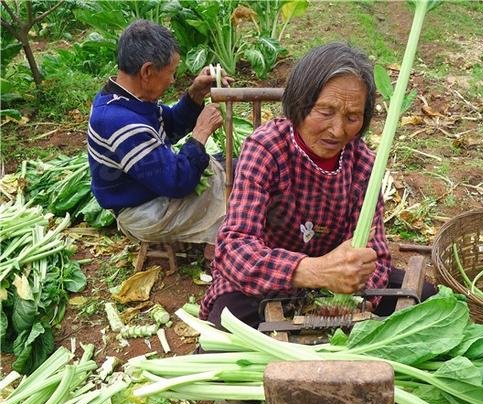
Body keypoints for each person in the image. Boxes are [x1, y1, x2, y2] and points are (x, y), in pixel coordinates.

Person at [200, 42, 436, 328]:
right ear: (300, 104)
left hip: (338, 288)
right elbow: (234, 250)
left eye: (352, 117)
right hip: (267, 284)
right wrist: (313, 271)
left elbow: (376, 254)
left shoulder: (362, 164)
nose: (338, 130)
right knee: (225, 330)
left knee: (424, 298)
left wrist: (350, 294)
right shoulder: (266, 148)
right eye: (325, 112)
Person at [87, 19, 230, 248]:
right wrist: (201, 132)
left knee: (228, 173)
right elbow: (177, 182)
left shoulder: (126, 98)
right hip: (145, 211)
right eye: (171, 73)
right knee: (236, 197)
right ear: (147, 71)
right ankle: (221, 245)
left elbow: (169, 126)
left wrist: (194, 95)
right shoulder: (119, 121)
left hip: (152, 190)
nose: (173, 80)